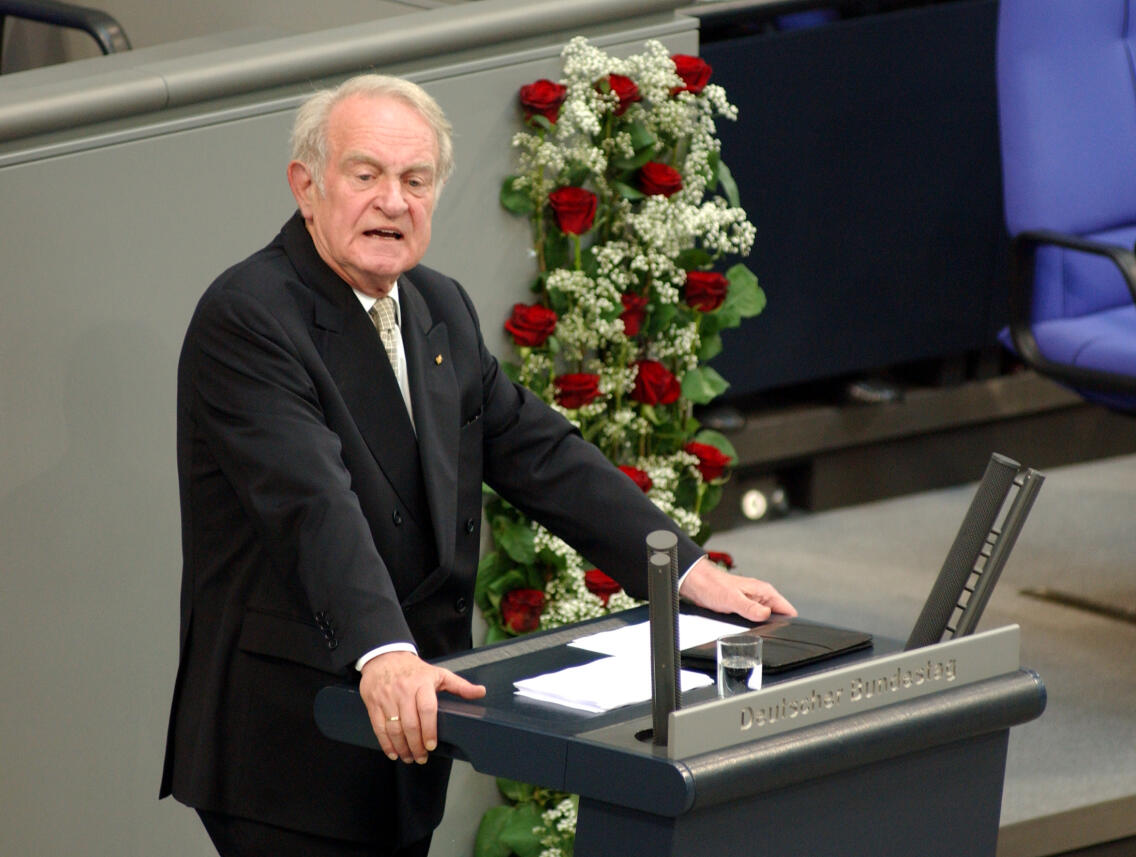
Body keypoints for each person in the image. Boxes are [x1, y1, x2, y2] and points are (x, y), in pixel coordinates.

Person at [160, 74, 796, 857]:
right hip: (292, 742)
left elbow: (539, 452)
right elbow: (311, 506)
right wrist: (385, 652)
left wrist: (687, 573)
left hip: (407, 729)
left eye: (415, 180)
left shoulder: (437, 305)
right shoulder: (250, 317)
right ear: (308, 185)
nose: (393, 201)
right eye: (366, 176)